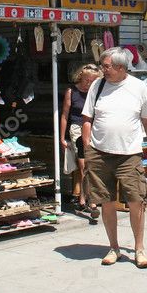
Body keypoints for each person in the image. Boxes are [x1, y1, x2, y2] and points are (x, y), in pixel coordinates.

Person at [82, 47, 147, 269]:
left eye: (106, 66)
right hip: (99, 153)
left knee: (136, 201)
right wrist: (87, 143)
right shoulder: (97, 86)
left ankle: (139, 249)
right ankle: (114, 247)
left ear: (120, 67)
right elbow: (87, 116)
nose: (102, 70)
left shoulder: (138, 87)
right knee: (106, 202)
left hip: (129, 155)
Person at [59, 64, 102, 218]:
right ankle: (92, 202)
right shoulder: (72, 91)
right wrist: (62, 137)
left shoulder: (97, 92)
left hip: (94, 128)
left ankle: (83, 199)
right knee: (84, 165)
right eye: (86, 80)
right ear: (80, 77)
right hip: (77, 128)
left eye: (92, 81)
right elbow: (65, 115)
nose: (88, 84)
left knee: (92, 165)